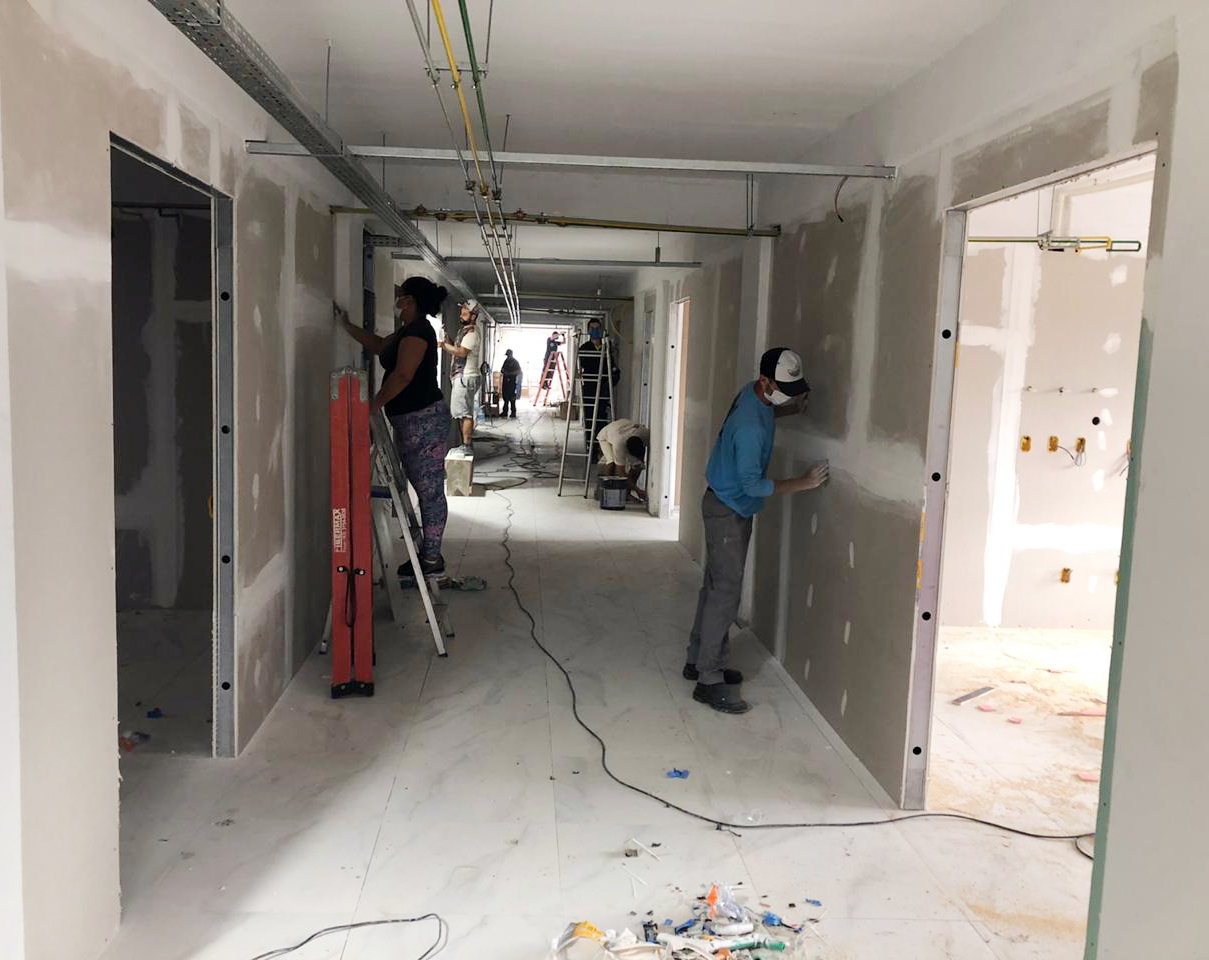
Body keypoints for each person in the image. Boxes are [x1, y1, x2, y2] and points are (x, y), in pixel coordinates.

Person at [686, 348, 829, 715]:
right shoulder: (748, 427)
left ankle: (698, 660)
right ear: (766, 381)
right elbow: (753, 486)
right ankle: (708, 679)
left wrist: (790, 409)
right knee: (725, 594)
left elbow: (768, 410)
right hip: (729, 510)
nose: (788, 395)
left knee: (714, 587)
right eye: (785, 390)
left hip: (723, 504)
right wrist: (804, 482)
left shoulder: (752, 395)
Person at [334, 277, 452, 579]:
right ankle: (428, 552)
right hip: (411, 421)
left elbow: (402, 375)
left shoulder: (419, 332)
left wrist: (371, 406)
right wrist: (346, 326)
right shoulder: (406, 330)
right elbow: (379, 346)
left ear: (410, 300)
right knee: (422, 485)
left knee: (429, 490)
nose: (396, 299)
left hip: (424, 421)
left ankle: (432, 558)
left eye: (401, 295)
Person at [440, 299, 482, 456]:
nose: (461, 314)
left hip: (466, 377)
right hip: (463, 377)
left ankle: (467, 445)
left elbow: (461, 352)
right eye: (462, 311)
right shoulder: (464, 331)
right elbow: (457, 348)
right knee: (462, 412)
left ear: (473, 316)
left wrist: (443, 346)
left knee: (465, 413)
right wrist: (446, 339)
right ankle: (465, 444)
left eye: (465, 312)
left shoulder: (472, 333)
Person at [577, 319, 620, 459]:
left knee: (601, 419)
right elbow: (583, 366)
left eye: (597, 328)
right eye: (592, 328)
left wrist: (609, 383)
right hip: (590, 388)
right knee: (590, 419)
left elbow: (612, 367)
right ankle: (591, 449)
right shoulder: (584, 348)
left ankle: (603, 449)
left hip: (603, 388)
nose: (595, 330)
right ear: (588, 330)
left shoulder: (606, 348)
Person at [597, 418, 648, 502]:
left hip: (621, 431)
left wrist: (639, 463)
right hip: (605, 435)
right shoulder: (619, 445)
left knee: (638, 466)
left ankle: (627, 495)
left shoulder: (645, 434)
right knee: (611, 463)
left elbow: (640, 461)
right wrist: (637, 490)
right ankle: (603, 492)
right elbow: (621, 473)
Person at [501, 348, 521, 419]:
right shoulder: (506, 361)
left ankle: (513, 412)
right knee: (505, 397)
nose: (508, 356)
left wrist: (510, 374)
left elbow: (518, 371)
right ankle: (505, 412)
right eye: (507, 355)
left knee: (512, 397)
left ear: (511, 354)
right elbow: (502, 369)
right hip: (505, 382)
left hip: (512, 382)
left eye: (508, 355)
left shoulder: (515, 362)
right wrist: (504, 372)